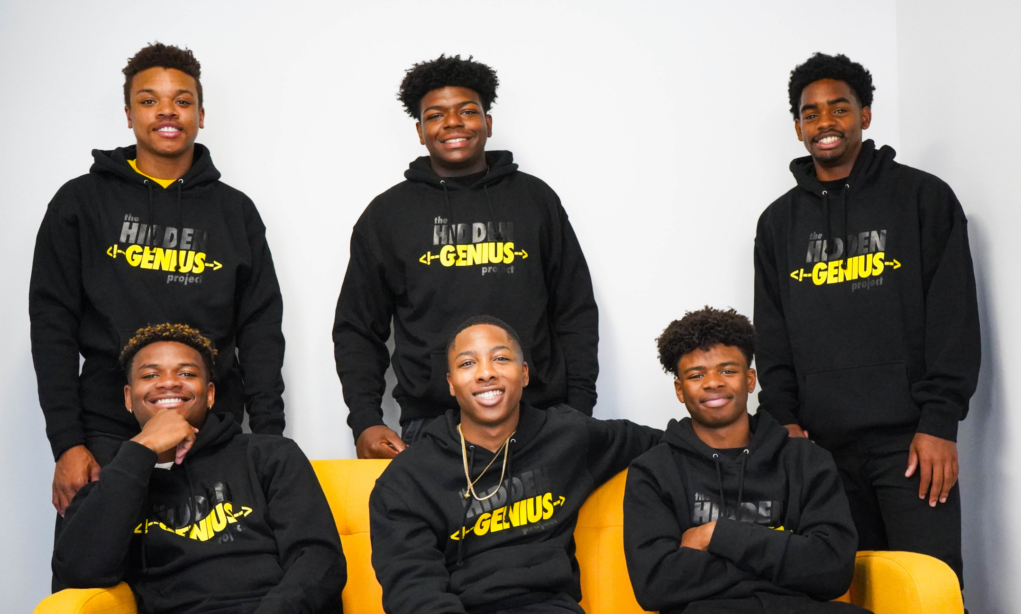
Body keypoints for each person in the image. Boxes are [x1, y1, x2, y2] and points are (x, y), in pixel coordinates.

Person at [30, 43, 286, 531]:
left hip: (213, 433)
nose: (167, 111)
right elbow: (51, 327)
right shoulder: (81, 203)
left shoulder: (235, 212)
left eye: (182, 101)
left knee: (221, 567)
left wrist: (268, 439)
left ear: (201, 115)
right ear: (129, 115)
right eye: (149, 101)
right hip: (107, 433)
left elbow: (260, 331)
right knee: (97, 564)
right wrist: (67, 444)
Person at [754, 52, 980, 587]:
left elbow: (953, 317)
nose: (825, 123)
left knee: (928, 588)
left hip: (911, 445)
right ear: (798, 127)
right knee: (846, 595)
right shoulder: (778, 222)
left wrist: (939, 423)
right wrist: (784, 422)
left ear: (865, 115)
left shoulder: (922, 197)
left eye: (839, 108)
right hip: (820, 451)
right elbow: (773, 331)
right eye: (810, 113)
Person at [334, 54, 599, 459]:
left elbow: (574, 309)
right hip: (432, 422)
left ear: (488, 123)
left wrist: (579, 409)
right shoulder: (387, 215)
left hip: (541, 416)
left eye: (468, 111)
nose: (453, 123)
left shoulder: (535, 200)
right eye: (436, 115)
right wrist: (365, 420)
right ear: (420, 131)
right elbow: (357, 328)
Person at [369, 316, 660, 614]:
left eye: (500, 359)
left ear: (524, 374)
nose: (486, 373)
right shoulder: (408, 478)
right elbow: (413, 590)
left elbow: (666, 443)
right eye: (467, 363)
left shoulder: (568, 436)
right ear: (451, 384)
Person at [52, 324, 344, 613]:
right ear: (128, 397)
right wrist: (141, 449)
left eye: (186, 374)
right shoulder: (110, 484)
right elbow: (79, 572)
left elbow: (319, 559)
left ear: (210, 394)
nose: (169, 383)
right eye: (150, 375)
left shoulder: (269, 456)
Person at [624, 307, 865, 613]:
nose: (713, 382)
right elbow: (655, 585)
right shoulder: (653, 471)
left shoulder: (806, 460)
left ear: (750, 380)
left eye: (727, 371)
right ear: (680, 390)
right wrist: (784, 559)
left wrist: (715, 535)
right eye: (696, 375)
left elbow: (832, 569)